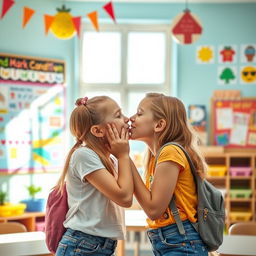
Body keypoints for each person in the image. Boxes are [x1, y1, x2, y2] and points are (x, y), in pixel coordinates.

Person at [128, 93, 208, 255]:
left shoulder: (170, 152)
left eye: (139, 113)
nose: (131, 118)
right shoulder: (154, 156)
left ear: (159, 124)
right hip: (172, 240)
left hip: (181, 242)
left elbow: (153, 209)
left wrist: (124, 157)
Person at [55, 96, 134, 256]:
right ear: (98, 130)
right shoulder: (84, 155)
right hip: (82, 245)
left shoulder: (111, 158)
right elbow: (125, 197)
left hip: (99, 245)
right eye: (118, 115)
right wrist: (124, 156)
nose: (127, 120)